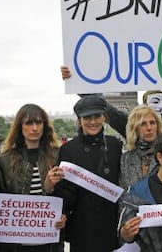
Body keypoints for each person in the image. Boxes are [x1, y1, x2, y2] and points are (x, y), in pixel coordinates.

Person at [53, 95, 122, 252]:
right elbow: (66, 192)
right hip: (82, 226)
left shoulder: (115, 145)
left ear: (104, 117)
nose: (93, 121)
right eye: (87, 117)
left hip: (110, 226)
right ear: (79, 120)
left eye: (97, 116)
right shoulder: (67, 150)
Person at [0, 104, 66, 252]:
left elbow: (66, 195)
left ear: (44, 125)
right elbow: (1, 199)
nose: (34, 128)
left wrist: (64, 214)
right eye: (29, 123)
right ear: (19, 127)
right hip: (17, 243)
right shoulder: (4, 160)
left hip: (50, 242)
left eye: (38, 122)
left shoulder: (57, 155)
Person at [120, 104, 162, 190]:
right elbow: (123, 194)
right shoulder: (126, 158)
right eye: (143, 124)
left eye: (152, 123)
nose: (149, 128)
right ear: (135, 128)